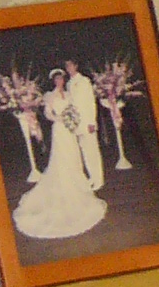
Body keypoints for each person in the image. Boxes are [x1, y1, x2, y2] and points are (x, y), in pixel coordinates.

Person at [14, 72, 111, 240]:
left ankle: (78, 181)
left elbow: (76, 108)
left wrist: (72, 119)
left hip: (70, 129)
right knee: (62, 156)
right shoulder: (50, 95)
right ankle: (64, 182)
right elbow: (47, 113)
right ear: (53, 81)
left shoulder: (68, 93)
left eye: (61, 78)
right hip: (59, 129)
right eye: (56, 79)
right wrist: (59, 118)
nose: (59, 81)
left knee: (74, 155)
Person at [64, 57, 105, 188]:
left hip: (87, 122)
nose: (69, 68)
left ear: (76, 66)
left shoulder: (84, 81)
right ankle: (91, 177)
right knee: (84, 151)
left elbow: (90, 102)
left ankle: (99, 179)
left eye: (70, 65)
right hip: (76, 123)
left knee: (92, 150)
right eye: (67, 66)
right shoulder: (68, 84)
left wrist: (92, 121)